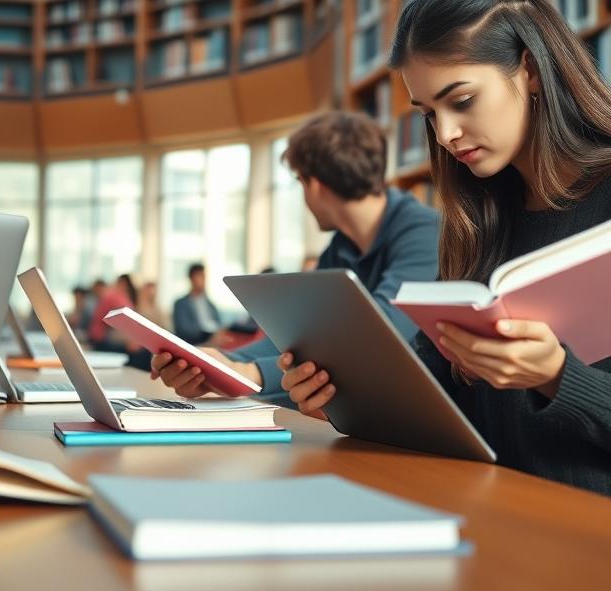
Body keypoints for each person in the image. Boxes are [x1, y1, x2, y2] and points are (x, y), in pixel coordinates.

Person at [279, 0, 611, 534]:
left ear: (529, 70)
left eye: (461, 100)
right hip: (522, 517)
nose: (446, 134)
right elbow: (447, 413)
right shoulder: (488, 219)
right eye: (429, 114)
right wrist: (343, 397)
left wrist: (558, 375)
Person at [152, 110, 440, 402]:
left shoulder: (425, 232)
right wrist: (216, 365)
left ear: (314, 185)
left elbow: (376, 337)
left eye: (299, 183)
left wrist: (249, 373)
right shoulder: (342, 248)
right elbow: (298, 340)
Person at [171, 263, 221, 345]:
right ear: (191, 278)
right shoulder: (180, 304)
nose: (204, 280)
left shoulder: (211, 305)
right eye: (200, 276)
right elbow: (183, 330)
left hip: (213, 344)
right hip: (193, 344)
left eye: (204, 277)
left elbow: (219, 326)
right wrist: (206, 333)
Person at [86, 273, 137, 352]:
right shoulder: (116, 297)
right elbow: (125, 322)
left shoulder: (112, 295)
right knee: (138, 351)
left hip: (98, 337)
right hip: (101, 339)